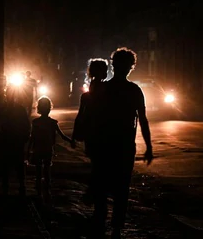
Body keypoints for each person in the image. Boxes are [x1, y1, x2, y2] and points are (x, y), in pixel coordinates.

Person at [90, 47, 154, 238]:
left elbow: (93, 117)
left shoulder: (103, 89)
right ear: (130, 68)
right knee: (122, 187)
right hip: (124, 146)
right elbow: (142, 119)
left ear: (113, 65)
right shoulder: (134, 90)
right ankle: (116, 227)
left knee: (101, 184)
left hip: (104, 144)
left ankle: (100, 220)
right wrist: (149, 147)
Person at [71, 58, 109, 202]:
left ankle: (94, 192)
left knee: (96, 164)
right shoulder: (108, 91)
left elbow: (80, 116)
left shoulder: (87, 96)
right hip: (104, 133)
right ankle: (97, 193)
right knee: (101, 165)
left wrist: (75, 136)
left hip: (91, 134)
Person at [27, 96, 75, 202]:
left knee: (38, 170)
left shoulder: (35, 122)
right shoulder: (53, 123)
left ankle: (39, 190)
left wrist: (28, 150)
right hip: (48, 149)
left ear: (39, 108)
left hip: (38, 149)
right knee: (47, 170)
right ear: (49, 108)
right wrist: (71, 141)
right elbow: (62, 136)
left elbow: (32, 137)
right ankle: (47, 190)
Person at [0, 85, 31, 196]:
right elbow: (26, 125)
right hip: (16, 139)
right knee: (18, 164)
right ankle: (21, 186)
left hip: (7, 139)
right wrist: (25, 136)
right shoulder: (20, 109)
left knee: (6, 164)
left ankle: (6, 186)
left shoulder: (3, 109)